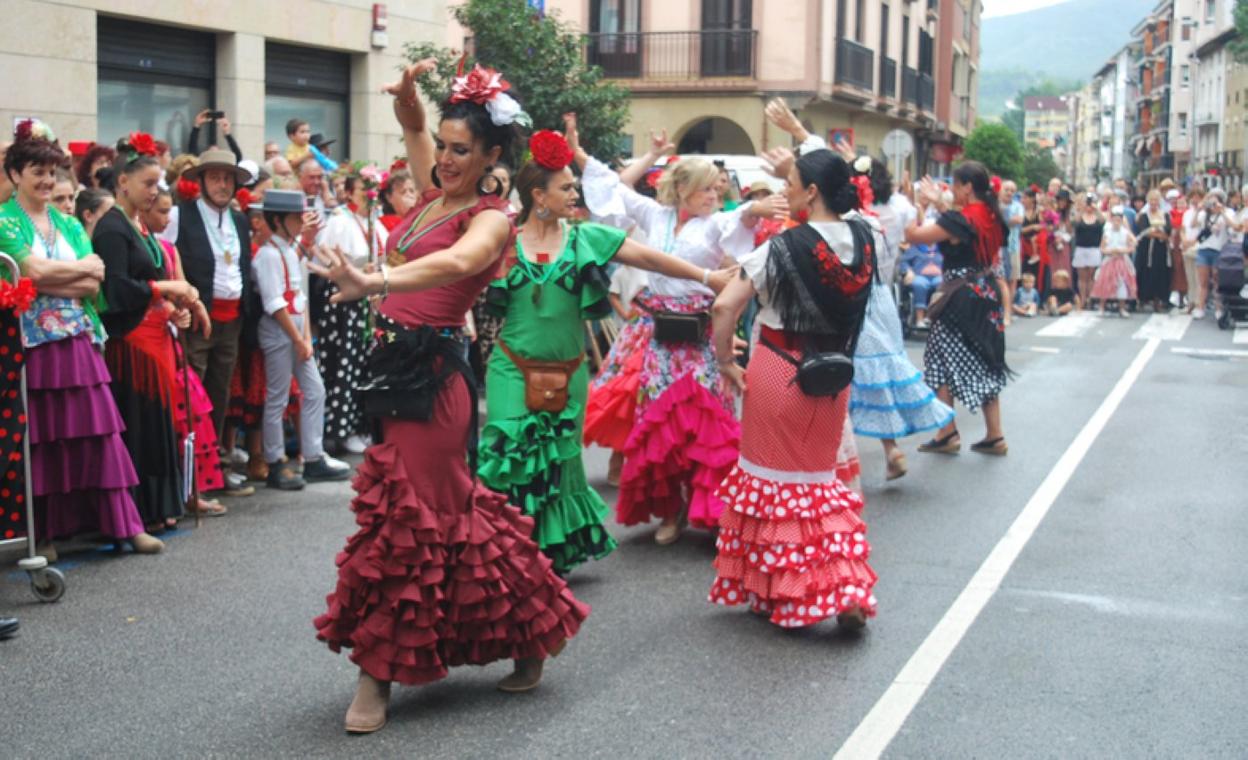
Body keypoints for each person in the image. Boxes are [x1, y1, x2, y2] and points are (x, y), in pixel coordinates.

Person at [311, 60, 587, 733]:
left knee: (404, 520)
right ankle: (528, 629)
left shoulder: (492, 219)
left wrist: (377, 280)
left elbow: (461, 264)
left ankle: (377, 675)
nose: (445, 158)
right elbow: (412, 128)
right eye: (443, 145)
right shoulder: (435, 196)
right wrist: (409, 96)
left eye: (461, 149)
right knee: (450, 516)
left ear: (492, 156)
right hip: (392, 370)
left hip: (435, 381)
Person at [478, 125, 735, 575]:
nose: (575, 194)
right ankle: (505, 550)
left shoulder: (585, 238)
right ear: (538, 196)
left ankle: (546, 556)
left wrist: (707, 277)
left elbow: (649, 258)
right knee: (509, 453)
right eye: (565, 188)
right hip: (511, 369)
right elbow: (455, 266)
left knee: (560, 463)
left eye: (574, 186)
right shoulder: (502, 239)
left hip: (569, 373)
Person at [578, 126, 783, 544]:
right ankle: (671, 512)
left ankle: (712, 508)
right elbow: (615, 189)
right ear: (684, 190)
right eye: (706, 189)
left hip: (702, 338)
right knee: (661, 424)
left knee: (707, 424)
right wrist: (578, 153)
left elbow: (740, 217)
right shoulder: (656, 215)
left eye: (716, 189)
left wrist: (755, 209)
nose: (714, 195)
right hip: (661, 337)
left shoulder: (715, 223)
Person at [706, 144, 877, 629]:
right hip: (834, 374)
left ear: (812, 191)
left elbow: (724, 307)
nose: (786, 191)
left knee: (771, 485)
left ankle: (780, 591)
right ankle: (846, 588)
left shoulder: (779, 248)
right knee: (819, 484)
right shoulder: (864, 239)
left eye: (791, 183)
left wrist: (725, 360)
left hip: (779, 370)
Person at [0, 121, 163, 558]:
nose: (46, 181)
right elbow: (30, 271)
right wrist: (70, 274)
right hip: (32, 345)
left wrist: (55, 279)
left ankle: (125, 525)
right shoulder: (3, 221)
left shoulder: (69, 223)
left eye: (51, 173)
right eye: (37, 172)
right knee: (45, 440)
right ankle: (47, 533)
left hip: (78, 339)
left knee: (100, 432)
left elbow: (95, 281)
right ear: (15, 174)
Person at [92, 133, 206, 531]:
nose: (154, 191)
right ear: (123, 182)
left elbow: (149, 280)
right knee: (141, 423)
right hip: (131, 342)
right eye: (148, 183)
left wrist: (172, 308)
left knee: (159, 423)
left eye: (158, 183)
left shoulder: (139, 225)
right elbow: (117, 289)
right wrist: (165, 289)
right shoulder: (111, 228)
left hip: (156, 337)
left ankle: (161, 505)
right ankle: (141, 510)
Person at [905, 161, 1010, 457]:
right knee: (986, 359)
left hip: (960, 295)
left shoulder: (960, 220)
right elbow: (962, 220)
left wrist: (918, 205)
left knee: (940, 358)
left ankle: (947, 431)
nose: (952, 189)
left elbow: (913, 235)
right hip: (987, 291)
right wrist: (941, 203)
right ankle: (994, 434)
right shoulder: (992, 215)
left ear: (967, 187)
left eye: (955, 184)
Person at [252, 190, 351, 490]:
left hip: (296, 330)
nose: (300, 222)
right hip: (279, 330)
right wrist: (297, 338)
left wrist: (305, 337)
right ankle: (275, 460)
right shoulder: (268, 255)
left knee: (315, 391)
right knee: (278, 397)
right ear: (278, 220)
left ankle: (312, 456)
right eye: (295, 217)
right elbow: (274, 303)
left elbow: (299, 297)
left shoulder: (288, 250)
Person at [175, 149, 256, 498]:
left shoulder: (239, 220)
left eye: (227, 179)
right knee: (193, 396)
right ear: (201, 182)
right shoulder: (182, 215)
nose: (222, 185)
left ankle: (214, 467)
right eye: (215, 178)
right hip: (198, 319)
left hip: (232, 319)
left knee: (219, 395)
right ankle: (190, 473)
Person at [144, 189, 228, 513]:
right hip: (151, 340)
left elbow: (184, 290)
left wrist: (192, 307)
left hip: (172, 341)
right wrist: (171, 308)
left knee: (192, 415)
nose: (167, 219)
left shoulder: (168, 249)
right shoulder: (140, 247)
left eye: (169, 211)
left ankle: (192, 490)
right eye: (161, 212)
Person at [314, 166, 387, 454]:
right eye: (364, 190)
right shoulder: (340, 220)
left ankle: (360, 424)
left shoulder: (374, 221)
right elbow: (328, 259)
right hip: (345, 302)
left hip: (367, 300)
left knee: (364, 364)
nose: (370, 196)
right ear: (349, 193)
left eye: (374, 191)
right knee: (344, 362)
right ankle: (340, 429)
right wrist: (358, 270)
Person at [1192, 190, 1235, 320]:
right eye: (1210, 201)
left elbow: (1234, 226)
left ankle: (1218, 308)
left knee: (1217, 281)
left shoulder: (1227, 212)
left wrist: (1221, 211)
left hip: (1219, 251)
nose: (1213, 205)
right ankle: (1200, 307)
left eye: (1215, 201)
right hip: (1204, 250)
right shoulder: (1204, 214)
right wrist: (1198, 210)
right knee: (1203, 281)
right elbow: (1193, 224)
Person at [1092, 206, 1137, 317]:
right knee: (1105, 282)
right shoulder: (1107, 233)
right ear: (1111, 220)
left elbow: (1132, 247)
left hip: (1122, 260)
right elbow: (1102, 248)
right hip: (1109, 260)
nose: (1116, 222)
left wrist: (1122, 251)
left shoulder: (1125, 233)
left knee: (1122, 283)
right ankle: (1102, 307)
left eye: (1119, 220)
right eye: (1114, 220)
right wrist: (1110, 251)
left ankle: (1122, 308)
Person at [1134, 190, 1172, 313]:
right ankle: (1143, 299)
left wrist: (1162, 235)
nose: (1154, 202)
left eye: (1156, 200)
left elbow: (1168, 230)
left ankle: (1158, 299)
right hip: (1147, 249)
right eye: (1151, 200)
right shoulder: (1144, 215)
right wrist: (1158, 234)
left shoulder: (1165, 215)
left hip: (1161, 249)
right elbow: (1145, 231)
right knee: (1145, 272)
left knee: (1160, 273)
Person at [1071, 193, 1104, 305]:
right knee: (1082, 276)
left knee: (1091, 276)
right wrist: (1082, 209)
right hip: (1081, 248)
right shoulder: (1080, 217)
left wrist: (1096, 209)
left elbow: (1103, 221)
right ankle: (1083, 298)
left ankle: (1091, 298)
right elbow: (1075, 222)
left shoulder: (1097, 218)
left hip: (1093, 248)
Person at [902, 242, 942, 325]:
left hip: (938, 276)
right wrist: (908, 271)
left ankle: (932, 317)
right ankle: (919, 319)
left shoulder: (942, 248)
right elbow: (904, 262)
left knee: (942, 285)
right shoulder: (915, 248)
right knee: (919, 284)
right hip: (920, 275)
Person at [1002, 180, 1024, 293]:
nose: (1009, 192)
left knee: (1013, 278)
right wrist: (1011, 220)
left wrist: (1003, 220)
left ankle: (1009, 302)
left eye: (1012, 190)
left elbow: (1019, 220)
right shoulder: (996, 204)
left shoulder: (1018, 206)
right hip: (997, 247)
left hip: (1013, 245)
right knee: (1000, 278)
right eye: (1007, 190)